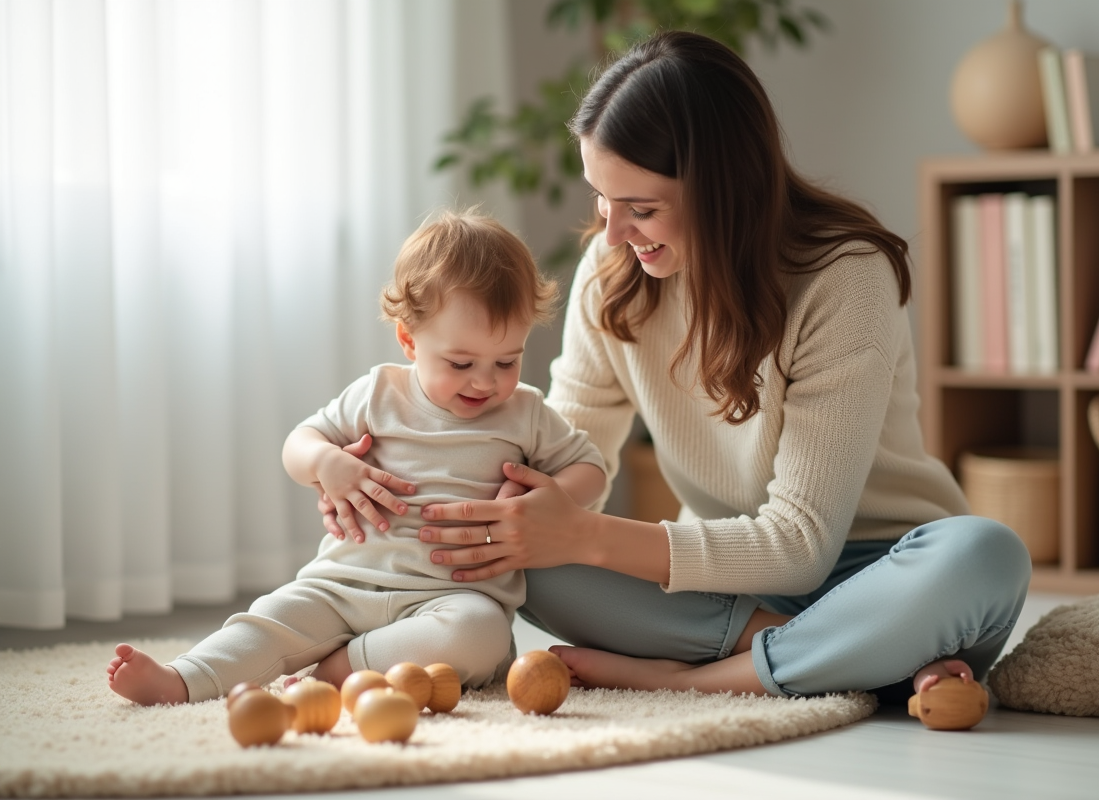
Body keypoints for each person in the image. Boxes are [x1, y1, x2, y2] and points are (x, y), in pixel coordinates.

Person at [319, 31, 1032, 707]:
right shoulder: (613, 270)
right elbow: (552, 454)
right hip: (721, 587)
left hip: (881, 571)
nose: (613, 231)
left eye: (642, 207)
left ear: (726, 191)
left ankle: (702, 683)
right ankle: (850, 662)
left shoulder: (844, 277)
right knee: (518, 552)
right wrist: (387, 483)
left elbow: (802, 548)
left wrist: (588, 535)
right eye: (601, 198)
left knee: (987, 555)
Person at [107, 209, 607, 705]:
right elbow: (299, 443)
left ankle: (341, 666)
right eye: (460, 363)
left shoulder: (525, 410)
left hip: (454, 600)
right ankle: (183, 679)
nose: (486, 380)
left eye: (507, 360)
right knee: (272, 617)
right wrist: (326, 463)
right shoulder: (377, 393)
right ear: (410, 340)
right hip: (344, 583)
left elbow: (591, 469)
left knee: (481, 636)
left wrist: (545, 496)